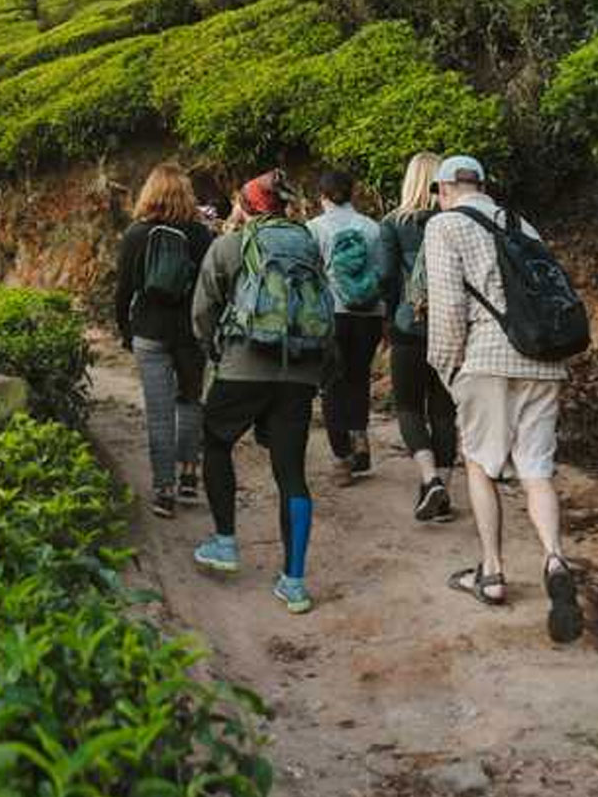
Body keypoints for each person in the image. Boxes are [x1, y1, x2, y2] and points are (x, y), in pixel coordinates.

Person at [424, 155, 583, 643]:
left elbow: (449, 306)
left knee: (478, 463)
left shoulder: (445, 225)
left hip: (487, 359)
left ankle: (491, 573)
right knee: (536, 469)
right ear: (484, 185)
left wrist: (445, 366)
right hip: (542, 357)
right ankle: (554, 558)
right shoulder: (521, 223)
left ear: (445, 187)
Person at [191, 170, 332, 615]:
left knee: (215, 442)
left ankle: (226, 542)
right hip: (301, 371)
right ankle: (293, 582)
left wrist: (217, 350)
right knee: (291, 472)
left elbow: (202, 312)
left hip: (243, 366)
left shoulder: (230, 245)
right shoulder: (307, 244)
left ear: (247, 205)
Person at [115, 163, 215, 518]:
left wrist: (125, 332)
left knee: (159, 414)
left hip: (149, 331)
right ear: (186, 193)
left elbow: (124, 290)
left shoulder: (136, 234)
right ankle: (190, 475)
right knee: (190, 402)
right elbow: (210, 289)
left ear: (149, 192)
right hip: (190, 333)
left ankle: (164, 490)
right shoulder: (202, 235)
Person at [383, 152, 458, 522]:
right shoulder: (456, 222)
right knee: (444, 409)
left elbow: (386, 278)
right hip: (452, 329)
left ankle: (430, 481)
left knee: (409, 406)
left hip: (409, 325)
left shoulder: (395, 224)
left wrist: (389, 323)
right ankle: (442, 489)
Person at [307, 170, 392, 481]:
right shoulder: (372, 228)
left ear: (323, 195)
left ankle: (342, 458)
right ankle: (360, 442)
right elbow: (384, 273)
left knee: (331, 384)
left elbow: (310, 273)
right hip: (369, 315)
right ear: (353, 194)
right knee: (358, 378)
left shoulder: (314, 228)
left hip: (333, 314)